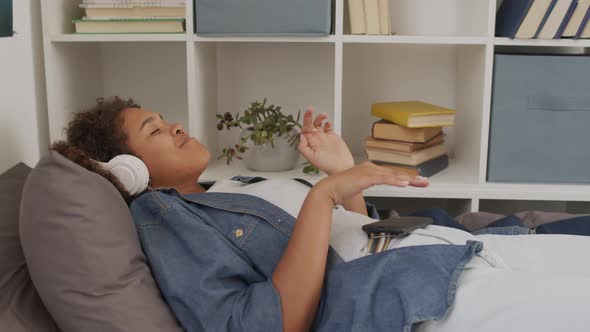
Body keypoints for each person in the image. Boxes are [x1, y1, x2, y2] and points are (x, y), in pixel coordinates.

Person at [53, 97, 590, 332]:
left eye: (166, 118)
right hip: (429, 294)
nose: (173, 126)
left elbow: (354, 238)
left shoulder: (233, 186)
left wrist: (341, 173)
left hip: (450, 251)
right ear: (129, 168)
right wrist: (322, 194)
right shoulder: (164, 219)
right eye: (154, 130)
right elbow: (263, 324)